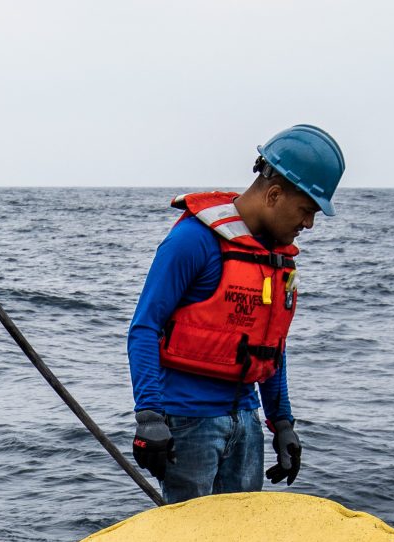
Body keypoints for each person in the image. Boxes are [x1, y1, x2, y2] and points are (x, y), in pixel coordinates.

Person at [128, 125, 345, 502]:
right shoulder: (192, 241)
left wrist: (281, 423)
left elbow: (271, 347)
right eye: (307, 210)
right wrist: (149, 416)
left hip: (246, 422)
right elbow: (144, 327)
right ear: (275, 194)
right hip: (188, 423)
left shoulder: (276, 262)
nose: (308, 224)